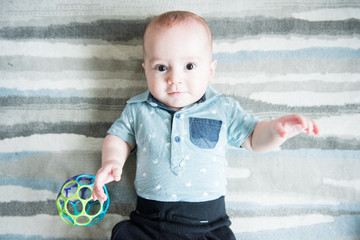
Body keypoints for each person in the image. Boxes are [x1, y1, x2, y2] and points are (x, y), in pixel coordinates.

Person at [93, 11, 319, 240]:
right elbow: (118, 137)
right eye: (162, 68)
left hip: (208, 225)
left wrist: (275, 131)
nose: (175, 79)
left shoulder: (222, 109)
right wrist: (112, 161)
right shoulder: (138, 109)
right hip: (148, 223)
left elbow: (253, 138)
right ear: (146, 70)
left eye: (189, 66)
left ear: (210, 71)